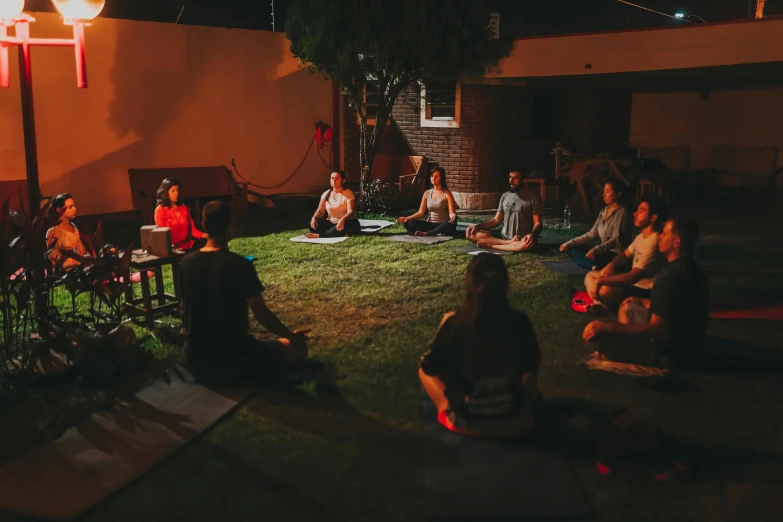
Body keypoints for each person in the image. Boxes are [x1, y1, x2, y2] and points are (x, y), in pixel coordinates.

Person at [179, 201, 310, 385]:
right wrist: (290, 335)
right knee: (298, 349)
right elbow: (261, 314)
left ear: (204, 225)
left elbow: (184, 310)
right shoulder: (239, 265)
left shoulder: (186, 263)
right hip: (233, 357)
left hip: (194, 358)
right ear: (230, 227)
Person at [419, 253, 541, 437]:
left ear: (469, 283)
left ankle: (449, 410)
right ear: (505, 284)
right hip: (511, 416)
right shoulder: (518, 321)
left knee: (422, 368)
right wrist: (524, 413)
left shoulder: (455, 323)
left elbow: (431, 367)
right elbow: (531, 367)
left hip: (465, 418)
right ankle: (518, 414)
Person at [582, 216, 709, 371]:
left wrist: (606, 327)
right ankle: (631, 346)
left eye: (664, 234)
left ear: (676, 242)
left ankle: (641, 353)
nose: (659, 237)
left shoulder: (670, 277)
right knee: (629, 307)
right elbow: (677, 308)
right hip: (692, 342)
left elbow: (658, 329)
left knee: (601, 345)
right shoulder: (690, 268)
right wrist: (644, 302)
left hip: (673, 352)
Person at [584, 196, 667, 314]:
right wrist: (611, 265)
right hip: (632, 285)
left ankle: (605, 304)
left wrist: (601, 281)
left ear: (653, 218)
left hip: (643, 290)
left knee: (603, 288)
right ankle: (600, 305)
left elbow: (632, 277)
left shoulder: (654, 241)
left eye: (641, 211)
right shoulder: (640, 237)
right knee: (590, 276)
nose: (635, 213)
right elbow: (624, 255)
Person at [560, 180, 631, 270]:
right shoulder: (603, 212)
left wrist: (598, 249)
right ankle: (594, 266)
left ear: (618, 194)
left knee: (597, 256)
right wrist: (571, 242)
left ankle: (593, 264)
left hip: (615, 254)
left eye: (607, 192)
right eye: (604, 192)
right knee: (572, 249)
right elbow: (592, 234)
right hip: (602, 252)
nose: (604, 195)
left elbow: (616, 239)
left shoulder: (622, 212)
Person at [465, 170, 543, 252]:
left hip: (522, 239)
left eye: (515, 178)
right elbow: (496, 220)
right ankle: (509, 243)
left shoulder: (534, 198)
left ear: (523, 180)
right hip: (503, 237)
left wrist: (532, 235)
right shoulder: (505, 196)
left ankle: (492, 246)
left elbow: (538, 223)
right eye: (510, 177)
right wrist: (477, 226)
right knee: (472, 233)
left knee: (525, 244)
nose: (511, 181)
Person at [397, 167, 458, 237]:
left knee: (450, 223)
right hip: (430, 224)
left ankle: (427, 233)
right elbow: (420, 212)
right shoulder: (427, 193)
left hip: (442, 224)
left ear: (442, 178)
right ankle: (435, 233)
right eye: (432, 176)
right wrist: (407, 218)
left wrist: (453, 216)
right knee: (409, 223)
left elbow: (451, 213)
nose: (433, 178)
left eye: (436, 176)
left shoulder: (447, 194)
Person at [153, 178, 207, 251]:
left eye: (177, 190)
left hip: (188, 246)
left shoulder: (183, 208)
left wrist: (208, 236)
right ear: (166, 193)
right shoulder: (160, 210)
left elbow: (193, 230)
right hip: (172, 249)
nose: (177, 193)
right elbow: (163, 236)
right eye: (173, 191)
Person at [308, 170, 361, 238]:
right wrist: (314, 217)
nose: (334, 180)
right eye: (332, 178)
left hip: (346, 222)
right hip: (331, 224)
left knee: (340, 228)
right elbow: (320, 211)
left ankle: (323, 235)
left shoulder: (348, 193)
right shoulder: (326, 194)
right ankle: (334, 233)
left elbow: (351, 211)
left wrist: (342, 220)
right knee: (312, 224)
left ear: (343, 180)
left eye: (337, 178)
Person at [46, 193, 88, 270]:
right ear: (59, 209)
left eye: (74, 206)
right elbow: (53, 259)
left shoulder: (74, 228)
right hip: (65, 274)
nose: (74, 209)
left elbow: (81, 253)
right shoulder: (54, 231)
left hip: (80, 271)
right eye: (70, 207)